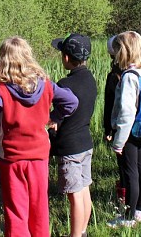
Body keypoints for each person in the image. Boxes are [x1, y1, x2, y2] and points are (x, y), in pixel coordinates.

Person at [0, 36, 78, 237]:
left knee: (16, 211)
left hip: (12, 158)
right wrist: (53, 118)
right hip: (39, 155)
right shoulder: (46, 86)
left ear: (3, 61)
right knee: (39, 208)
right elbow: (71, 102)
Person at [49, 33, 97, 237]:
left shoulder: (65, 85)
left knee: (74, 194)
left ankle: (75, 235)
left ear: (67, 58)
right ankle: (83, 231)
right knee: (84, 188)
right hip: (85, 142)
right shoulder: (90, 79)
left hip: (70, 147)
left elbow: (57, 115)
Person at [108, 31, 141, 228]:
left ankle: (128, 217)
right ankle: (140, 211)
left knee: (130, 172)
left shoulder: (128, 77)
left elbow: (126, 111)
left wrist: (119, 141)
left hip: (130, 132)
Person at [103, 35, 126, 205]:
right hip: (139, 127)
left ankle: (125, 194)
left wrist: (108, 129)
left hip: (120, 126)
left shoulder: (114, 77)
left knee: (124, 164)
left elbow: (109, 104)